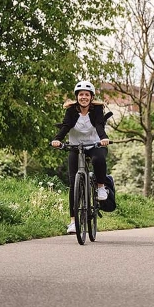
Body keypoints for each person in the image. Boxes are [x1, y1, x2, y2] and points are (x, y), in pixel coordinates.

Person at [51, 80, 112, 235]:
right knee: (73, 183)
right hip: (75, 147)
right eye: (81, 94)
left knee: (98, 159)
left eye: (86, 94)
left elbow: (99, 125)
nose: (83, 97)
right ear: (77, 97)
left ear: (91, 97)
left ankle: (100, 187)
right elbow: (66, 126)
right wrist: (57, 139)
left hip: (94, 145)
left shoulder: (97, 109)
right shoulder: (71, 111)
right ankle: (73, 222)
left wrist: (104, 138)